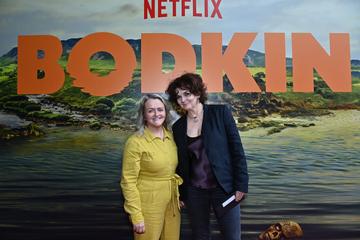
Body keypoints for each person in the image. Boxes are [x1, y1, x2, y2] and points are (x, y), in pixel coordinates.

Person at [166, 73, 249, 240]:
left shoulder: (221, 113)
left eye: (186, 93)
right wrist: (182, 194)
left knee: (232, 237)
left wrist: (241, 185)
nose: (182, 99)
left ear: (197, 93)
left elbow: (237, 151)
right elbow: (182, 164)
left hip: (224, 188)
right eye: (178, 96)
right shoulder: (178, 127)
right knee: (200, 236)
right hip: (195, 192)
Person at [120, 94, 183, 240]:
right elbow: (128, 181)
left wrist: (179, 195)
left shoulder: (172, 137)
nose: (156, 114)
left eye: (160, 109)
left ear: (166, 112)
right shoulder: (135, 142)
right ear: (144, 114)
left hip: (172, 203)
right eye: (151, 111)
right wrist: (136, 215)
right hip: (148, 204)